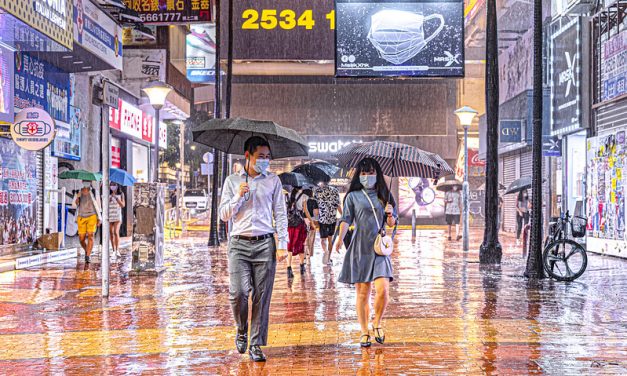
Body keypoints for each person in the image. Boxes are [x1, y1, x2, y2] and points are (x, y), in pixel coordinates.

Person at [219, 136, 288, 362]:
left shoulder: (273, 181)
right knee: (238, 293)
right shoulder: (232, 181)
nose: (265, 161)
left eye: (268, 157)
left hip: (265, 243)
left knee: (262, 296)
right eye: (261, 157)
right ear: (247, 156)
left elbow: (280, 214)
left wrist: (282, 244)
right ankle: (241, 328)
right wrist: (239, 196)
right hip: (239, 243)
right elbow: (223, 215)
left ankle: (256, 343)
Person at [334, 158, 397, 348]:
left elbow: (392, 224)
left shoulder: (384, 194)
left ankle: (376, 322)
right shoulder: (353, 196)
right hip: (360, 247)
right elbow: (346, 219)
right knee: (362, 293)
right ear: (358, 175)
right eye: (363, 173)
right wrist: (339, 238)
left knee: (383, 290)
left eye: (370, 173)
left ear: (376, 174)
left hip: (378, 248)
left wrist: (389, 214)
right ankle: (364, 331)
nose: (367, 176)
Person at [73, 181, 102, 263]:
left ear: (90, 182)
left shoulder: (94, 192)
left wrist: (99, 218)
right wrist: (77, 199)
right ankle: (87, 250)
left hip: (92, 216)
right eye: (84, 181)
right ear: (82, 182)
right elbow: (74, 205)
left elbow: (99, 206)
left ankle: (88, 256)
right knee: (81, 238)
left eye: (88, 181)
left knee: (91, 235)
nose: (86, 182)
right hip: (81, 217)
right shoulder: (78, 191)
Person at [314, 178, 341, 265]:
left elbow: (316, 209)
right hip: (332, 218)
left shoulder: (317, 191)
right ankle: (328, 258)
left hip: (322, 219)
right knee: (330, 239)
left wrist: (315, 219)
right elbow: (338, 205)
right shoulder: (335, 191)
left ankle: (325, 251)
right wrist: (343, 215)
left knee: (323, 240)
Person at [286, 186, 309, 277]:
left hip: (289, 224)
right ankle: (302, 266)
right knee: (300, 245)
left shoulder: (287, 195)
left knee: (289, 246)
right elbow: (306, 211)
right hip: (299, 224)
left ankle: (289, 269)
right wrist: (311, 222)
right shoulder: (304, 196)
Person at [109, 183, 125, 258]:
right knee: (111, 233)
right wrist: (109, 199)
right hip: (110, 216)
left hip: (117, 215)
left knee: (116, 232)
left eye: (114, 184)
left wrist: (116, 198)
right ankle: (113, 250)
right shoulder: (107, 193)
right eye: (111, 184)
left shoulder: (121, 194)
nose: (113, 186)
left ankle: (117, 250)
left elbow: (123, 205)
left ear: (117, 185)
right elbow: (103, 204)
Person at [303, 188, 319, 266]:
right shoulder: (314, 201)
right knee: (311, 238)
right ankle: (309, 254)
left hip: (302, 220)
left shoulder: (302, 201)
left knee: (304, 238)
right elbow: (316, 213)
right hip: (311, 220)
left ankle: (304, 254)